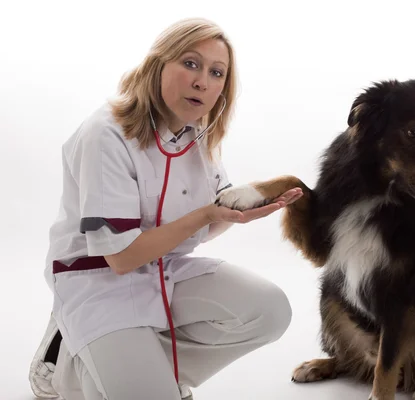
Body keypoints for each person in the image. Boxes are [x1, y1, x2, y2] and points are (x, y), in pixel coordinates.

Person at [28, 17, 302, 400]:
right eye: (190, 63)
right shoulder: (105, 133)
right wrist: (208, 214)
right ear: (158, 64)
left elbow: (207, 221)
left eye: (216, 73)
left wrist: (238, 213)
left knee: (269, 310)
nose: (202, 81)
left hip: (163, 270)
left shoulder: (197, 136)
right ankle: (62, 365)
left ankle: (135, 368)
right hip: (97, 281)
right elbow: (120, 258)